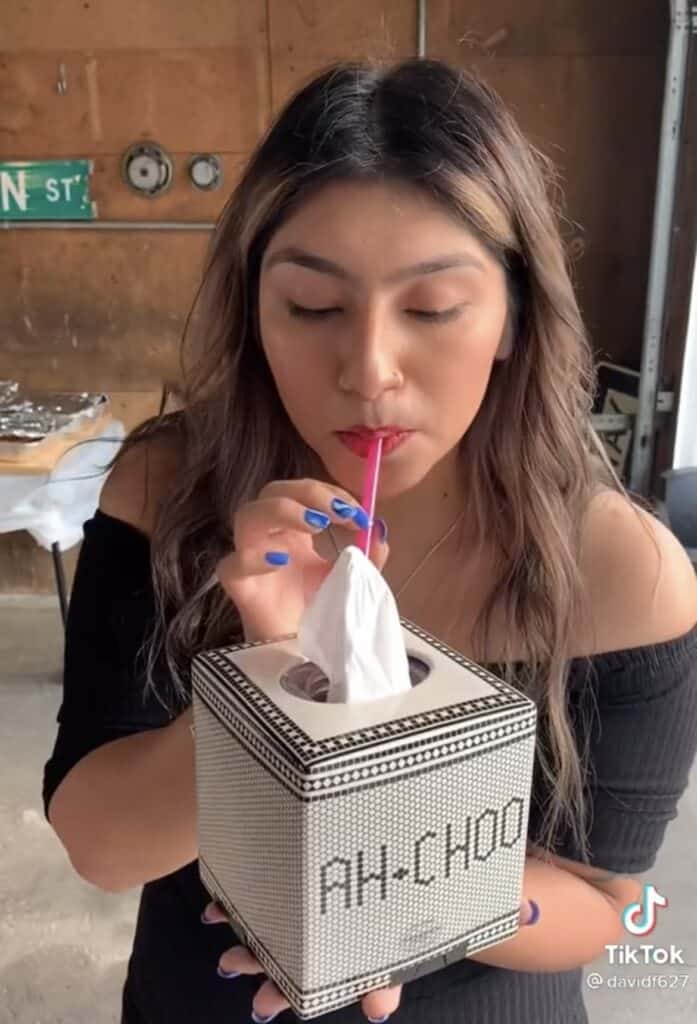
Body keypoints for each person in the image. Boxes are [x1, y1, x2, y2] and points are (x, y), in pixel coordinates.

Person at [43, 58, 697, 1024]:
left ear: (514, 315)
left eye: (432, 309)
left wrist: (410, 892)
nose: (370, 370)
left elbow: (610, 907)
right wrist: (268, 681)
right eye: (311, 307)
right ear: (254, 309)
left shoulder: (619, 571)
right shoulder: (171, 493)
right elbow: (101, 846)